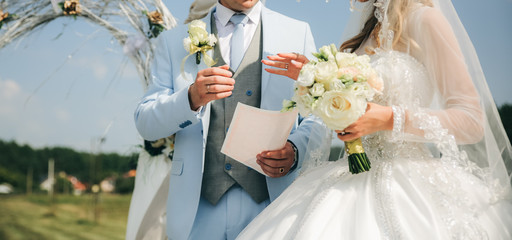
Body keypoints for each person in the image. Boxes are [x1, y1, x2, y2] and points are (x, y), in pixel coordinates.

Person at [236, 0, 512, 239]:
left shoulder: (425, 19)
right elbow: (351, 108)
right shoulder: (365, 34)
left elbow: (471, 121)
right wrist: (317, 79)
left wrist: (392, 119)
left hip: (410, 185)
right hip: (350, 173)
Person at [133, 0, 319, 239]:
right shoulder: (173, 41)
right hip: (197, 210)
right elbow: (145, 123)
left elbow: (317, 116)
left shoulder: (297, 32)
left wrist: (295, 150)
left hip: (272, 205)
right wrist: (189, 98)